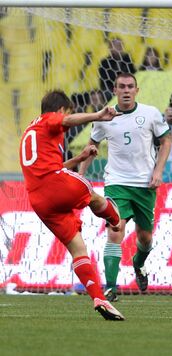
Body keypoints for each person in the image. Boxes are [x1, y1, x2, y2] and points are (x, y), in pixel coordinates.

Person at [19, 90, 124, 320]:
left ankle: (99, 298)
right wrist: (97, 115)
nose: (67, 118)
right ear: (60, 110)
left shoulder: (31, 131)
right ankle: (115, 219)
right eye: (68, 111)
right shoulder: (49, 119)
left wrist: (79, 158)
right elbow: (65, 120)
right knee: (90, 192)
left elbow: (49, 166)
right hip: (55, 184)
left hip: (39, 200)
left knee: (78, 249)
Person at [79, 73, 172, 302]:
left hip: (144, 185)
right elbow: (93, 144)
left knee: (145, 237)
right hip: (116, 182)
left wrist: (158, 171)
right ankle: (111, 288)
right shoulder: (105, 116)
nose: (126, 90)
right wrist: (80, 174)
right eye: (122, 87)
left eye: (130, 86)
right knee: (115, 229)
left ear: (137, 90)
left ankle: (138, 264)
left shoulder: (150, 113)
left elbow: (166, 141)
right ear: (115, 90)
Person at [98, 37, 136, 102]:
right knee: (107, 94)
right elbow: (104, 80)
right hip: (111, 89)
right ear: (110, 48)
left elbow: (133, 74)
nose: (117, 48)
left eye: (119, 45)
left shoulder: (127, 59)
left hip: (126, 87)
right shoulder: (104, 62)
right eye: (115, 46)